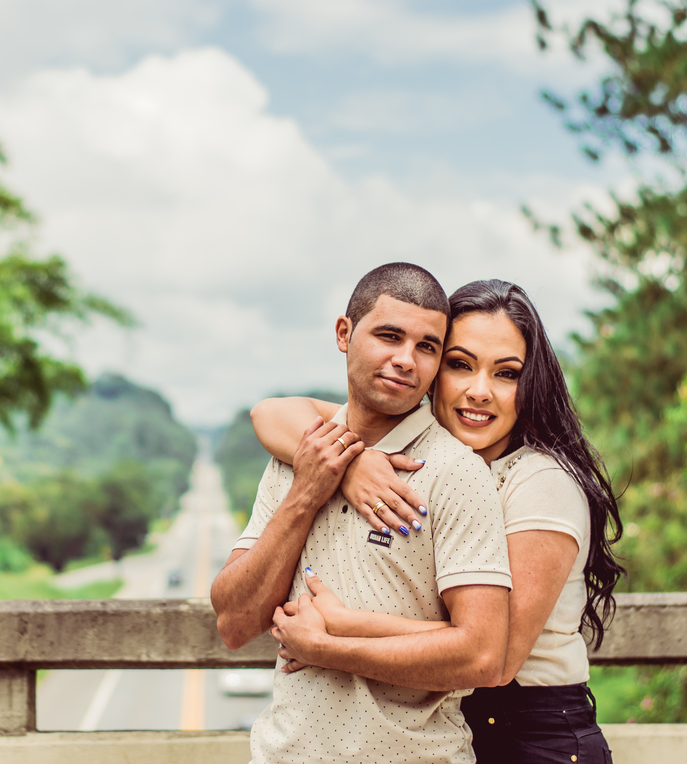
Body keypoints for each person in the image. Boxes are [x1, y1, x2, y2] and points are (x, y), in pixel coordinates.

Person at [251, 278, 624, 764]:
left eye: (506, 374)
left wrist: (339, 629)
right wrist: (352, 464)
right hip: (458, 719)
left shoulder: (540, 482)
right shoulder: (425, 462)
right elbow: (273, 413)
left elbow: (496, 658)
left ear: (530, 386)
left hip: (533, 734)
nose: (479, 392)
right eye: (460, 365)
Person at [211, 263, 514, 764]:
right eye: (389, 336)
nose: (406, 360)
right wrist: (309, 490)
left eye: (427, 347)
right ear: (343, 334)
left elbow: (482, 657)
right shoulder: (298, 455)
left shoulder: (455, 473)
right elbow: (234, 623)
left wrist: (326, 648)